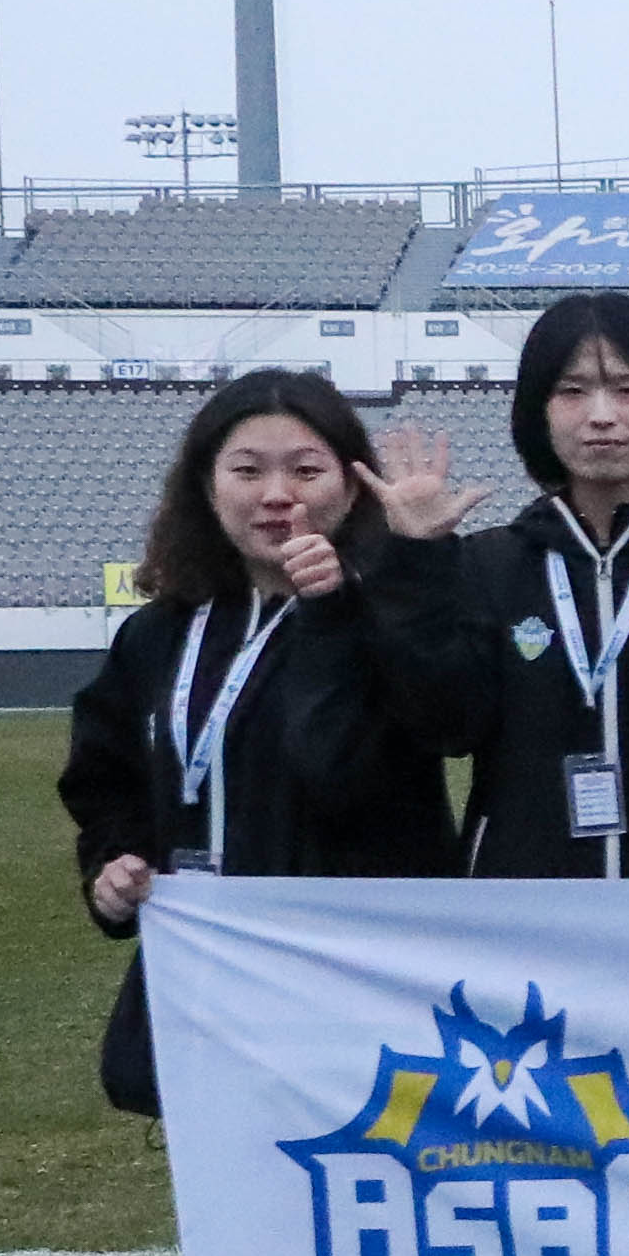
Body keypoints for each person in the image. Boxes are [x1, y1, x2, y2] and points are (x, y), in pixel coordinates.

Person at [63, 370, 457, 1112]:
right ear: (207, 488)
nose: (277, 495)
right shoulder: (157, 636)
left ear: (353, 487)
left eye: (305, 470)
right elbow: (104, 776)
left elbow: (352, 771)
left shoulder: (387, 620)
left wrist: (335, 611)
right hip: (201, 972)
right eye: (247, 471)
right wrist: (113, 865)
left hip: (349, 987)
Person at [352, 288, 629, 880]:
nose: (601, 414)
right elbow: (448, 727)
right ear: (539, 412)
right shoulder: (491, 564)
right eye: (572, 391)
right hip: (533, 910)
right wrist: (415, 563)